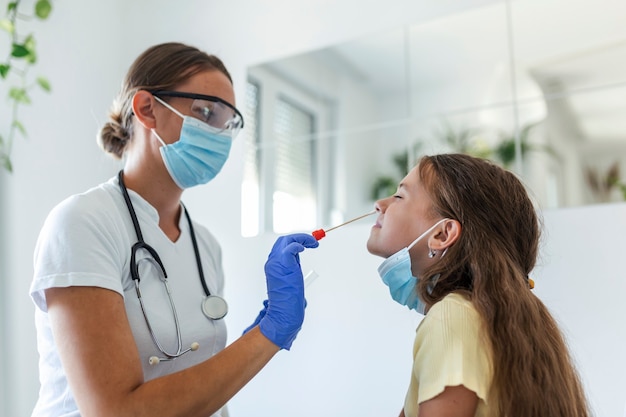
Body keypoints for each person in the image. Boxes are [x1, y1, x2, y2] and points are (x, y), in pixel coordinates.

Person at [29, 42, 318, 417]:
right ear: (147, 109)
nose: (221, 133)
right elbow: (115, 410)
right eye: (206, 113)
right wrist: (268, 333)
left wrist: (261, 333)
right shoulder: (83, 223)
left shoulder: (206, 246)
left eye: (229, 122)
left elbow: (203, 388)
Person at [367, 153, 590, 417]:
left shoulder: (451, 318)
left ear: (442, 234)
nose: (379, 205)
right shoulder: (479, 317)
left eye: (400, 196)